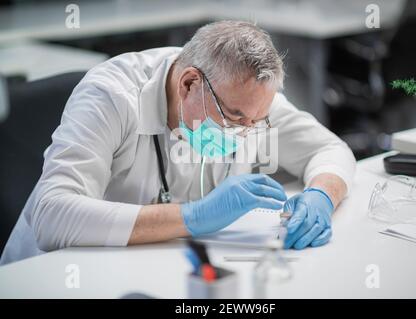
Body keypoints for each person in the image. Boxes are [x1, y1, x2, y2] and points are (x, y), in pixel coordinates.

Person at [0, 21, 355, 265]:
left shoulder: (247, 97)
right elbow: (51, 216)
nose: (246, 133)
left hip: (159, 268)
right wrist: (192, 216)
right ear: (188, 84)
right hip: (53, 276)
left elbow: (329, 149)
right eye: (232, 118)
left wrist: (321, 196)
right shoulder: (111, 96)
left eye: (255, 122)